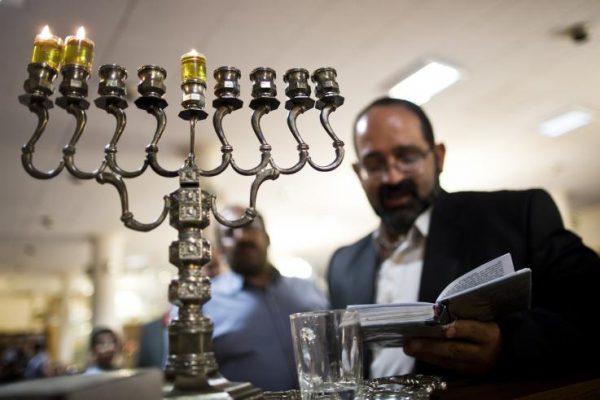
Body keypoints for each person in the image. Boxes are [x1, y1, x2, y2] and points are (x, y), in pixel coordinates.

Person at [327, 97, 600, 379]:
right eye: (374, 164)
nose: (393, 177)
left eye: (407, 157)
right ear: (359, 172)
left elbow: (591, 311)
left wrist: (506, 346)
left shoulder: (519, 216)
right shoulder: (342, 264)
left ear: (438, 156)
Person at [203, 206, 328, 391]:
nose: (242, 237)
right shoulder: (203, 304)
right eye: (230, 232)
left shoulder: (307, 289)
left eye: (250, 226)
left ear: (266, 237)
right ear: (220, 248)